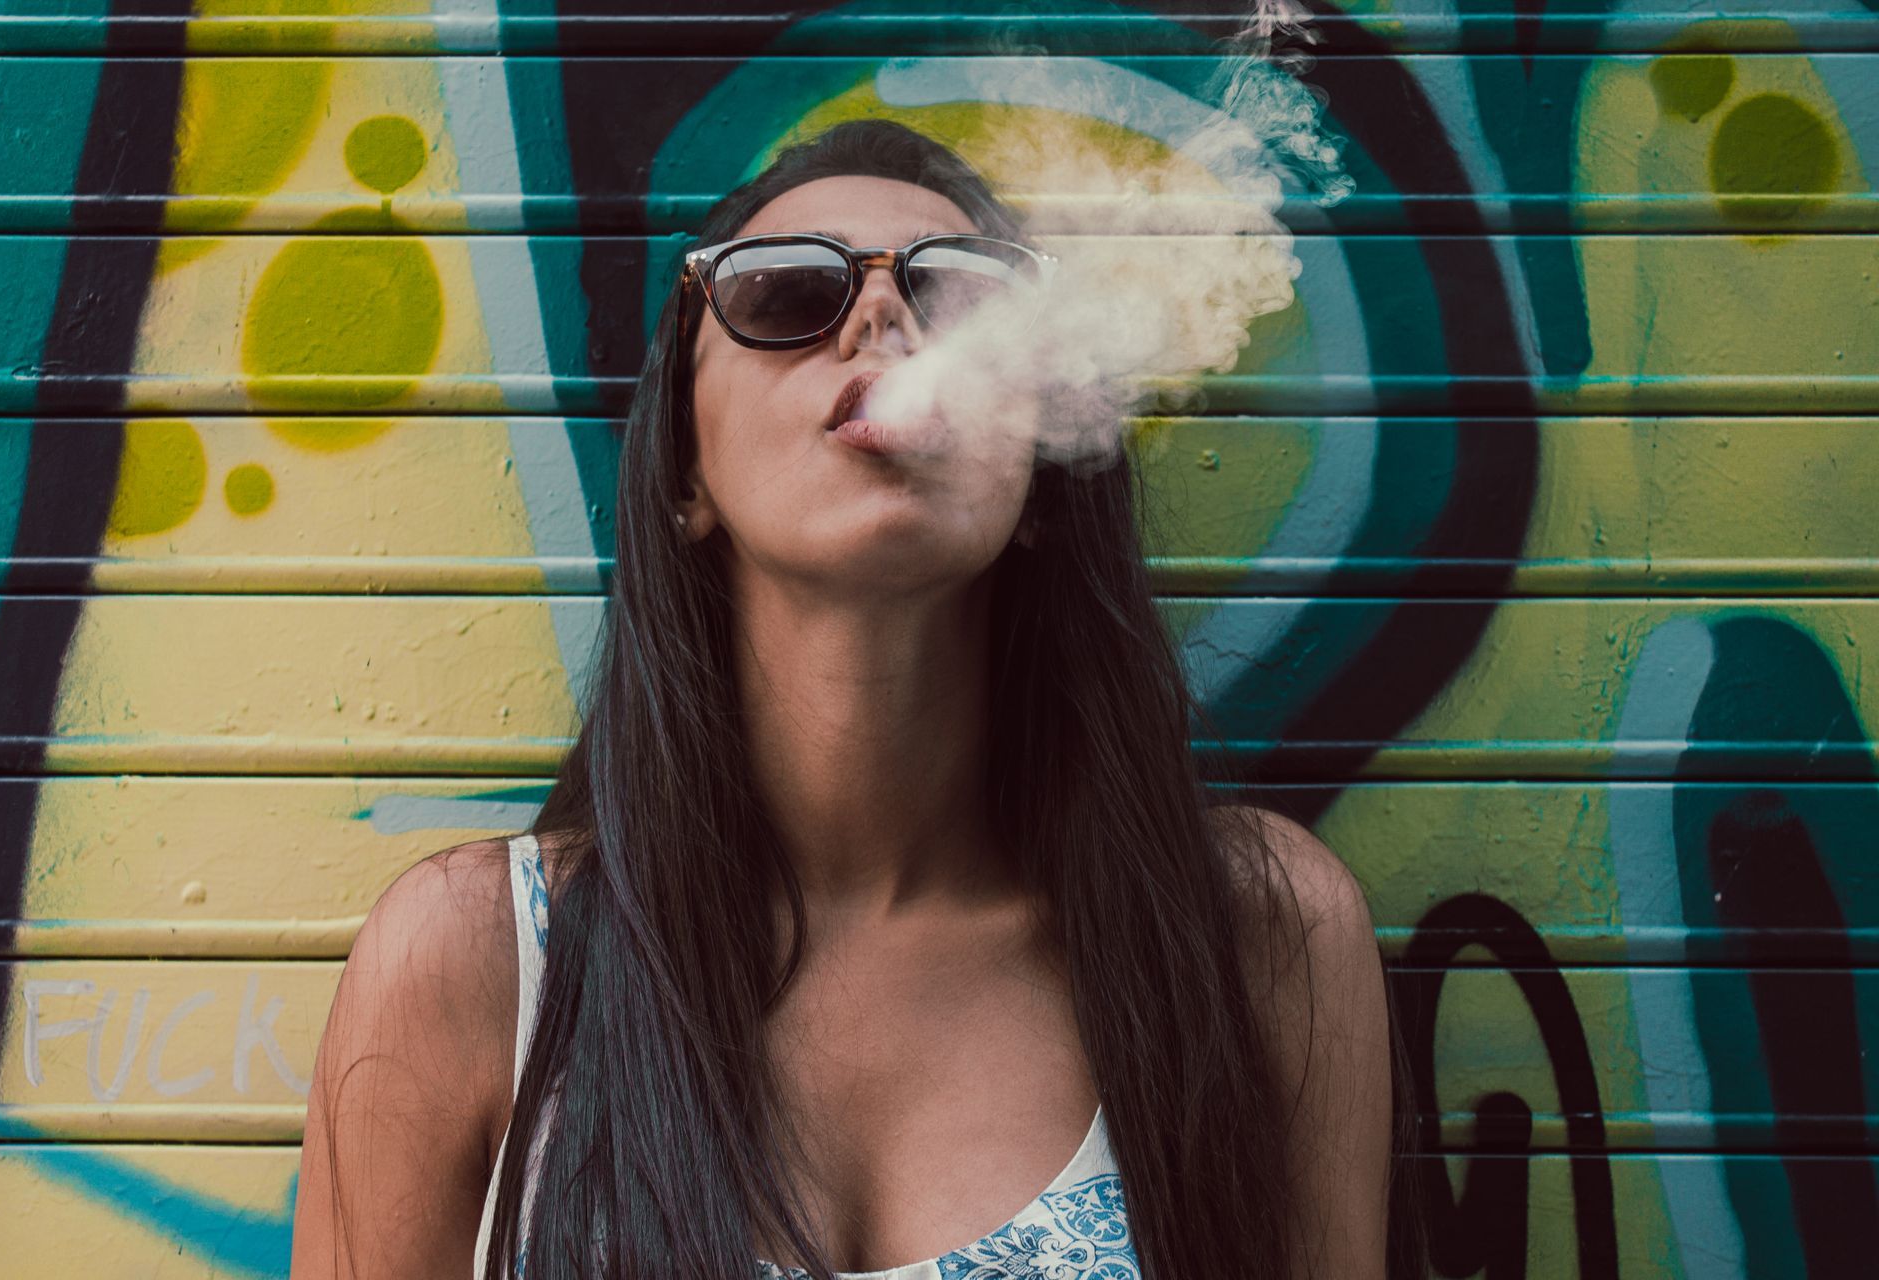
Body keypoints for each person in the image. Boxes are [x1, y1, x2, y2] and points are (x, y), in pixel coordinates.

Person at [290, 119, 1393, 1280]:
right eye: (784, 294)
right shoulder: (474, 961)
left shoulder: (1253, 935)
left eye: (963, 296)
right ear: (683, 474)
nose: (882, 321)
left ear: (1035, 483)